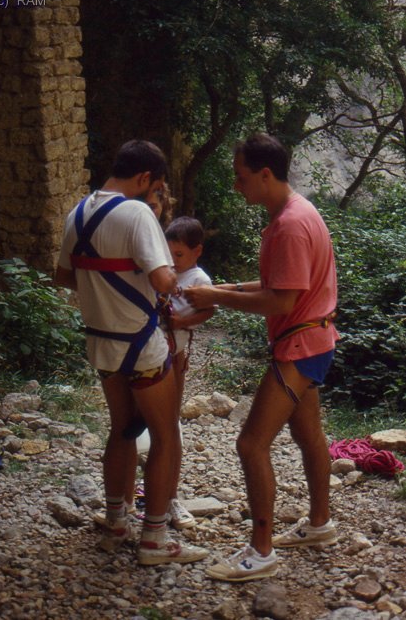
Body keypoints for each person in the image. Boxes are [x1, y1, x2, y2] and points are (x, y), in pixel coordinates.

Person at [185, 133, 339, 582]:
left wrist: (216, 296)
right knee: (309, 434)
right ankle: (320, 523)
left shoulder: (290, 225)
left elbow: (282, 300)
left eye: (241, 177)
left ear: (265, 175)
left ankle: (261, 550)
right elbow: (279, 283)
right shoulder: (297, 212)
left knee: (251, 443)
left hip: (300, 345)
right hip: (315, 341)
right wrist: (227, 289)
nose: (237, 186)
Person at [55, 139, 208, 566]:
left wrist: (106, 291)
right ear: (144, 179)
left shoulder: (78, 212)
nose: (156, 196)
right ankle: (155, 540)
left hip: (101, 343)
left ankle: (116, 521)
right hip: (141, 345)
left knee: (122, 428)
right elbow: (162, 281)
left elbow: (64, 276)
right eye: (156, 188)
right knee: (164, 436)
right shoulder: (138, 212)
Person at [163, 216, 215, 527]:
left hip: (175, 353)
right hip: (155, 350)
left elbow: (209, 310)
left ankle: (171, 496)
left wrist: (181, 323)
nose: (173, 260)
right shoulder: (168, 273)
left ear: (197, 251)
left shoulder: (199, 279)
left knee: (170, 422)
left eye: (179, 255)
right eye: (169, 254)